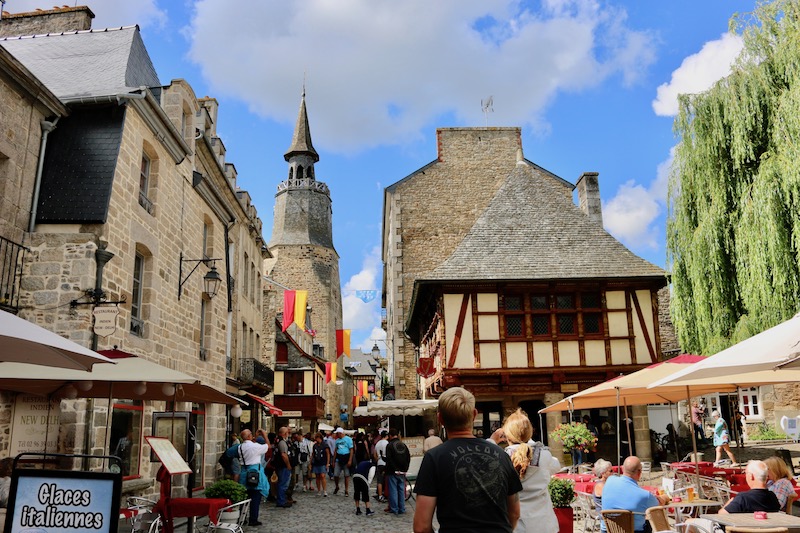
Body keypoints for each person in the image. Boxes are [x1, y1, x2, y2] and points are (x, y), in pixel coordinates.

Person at [413, 387, 522, 533]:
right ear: (474, 414)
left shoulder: (434, 458)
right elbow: (515, 513)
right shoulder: (501, 454)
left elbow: (421, 527)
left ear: (440, 419)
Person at [503, 408, 560, 533]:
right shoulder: (544, 455)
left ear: (507, 435)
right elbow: (557, 466)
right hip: (544, 524)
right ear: (530, 432)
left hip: (517, 525)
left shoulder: (503, 458)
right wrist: (531, 442)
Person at [686, 460, 780, 533]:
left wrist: (729, 503)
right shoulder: (773, 497)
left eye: (746, 473)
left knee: (688, 523)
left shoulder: (743, 498)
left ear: (751, 476)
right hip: (763, 530)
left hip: (734, 530)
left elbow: (721, 516)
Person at [601, 456, 669, 533]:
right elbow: (659, 504)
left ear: (622, 469)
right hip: (634, 531)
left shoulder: (610, 480)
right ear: (639, 472)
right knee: (651, 522)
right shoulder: (644, 496)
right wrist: (665, 497)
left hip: (608, 530)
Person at [237, 429, 270, 526]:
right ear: (249, 436)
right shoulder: (255, 446)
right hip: (254, 473)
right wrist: (264, 434)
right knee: (255, 497)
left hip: (244, 472)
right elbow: (268, 446)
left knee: (244, 497)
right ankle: (253, 519)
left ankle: (242, 518)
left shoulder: (240, 447)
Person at [384, 428, 411, 515]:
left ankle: (394, 508)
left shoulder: (390, 445)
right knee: (401, 490)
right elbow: (408, 457)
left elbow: (389, 459)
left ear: (390, 435)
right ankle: (402, 508)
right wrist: (405, 469)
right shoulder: (403, 445)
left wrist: (394, 468)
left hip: (392, 471)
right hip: (402, 471)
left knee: (393, 490)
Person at [273, 426, 293, 508]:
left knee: (282, 483)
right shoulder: (282, 442)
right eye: (287, 432)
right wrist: (288, 465)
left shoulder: (278, 440)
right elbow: (284, 455)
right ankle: (281, 501)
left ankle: (282, 499)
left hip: (280, 465)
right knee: (283, 484)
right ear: (285, 433)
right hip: (283, 466)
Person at [333, 427, 354, 496]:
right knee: (336, 474)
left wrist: (350, 460)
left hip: (346, 458)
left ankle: (346, 490)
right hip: (339, 458)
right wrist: (333, 460)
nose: (337, 435)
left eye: (337, 434)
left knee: (346, 475)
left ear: (340, 433)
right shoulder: (337, 441)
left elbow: (351, 450)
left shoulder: (348, 439)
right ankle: (337, 486)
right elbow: (335, 450)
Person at [310, 432, 330, 496]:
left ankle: (324, 490)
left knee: (322, 476)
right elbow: (313, 454)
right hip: (316, 462)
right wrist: (311, 462)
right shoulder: (315, 445)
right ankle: (319, 490)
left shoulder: (325, 445)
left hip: (323, 462)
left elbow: (328, 454)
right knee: (317, 476)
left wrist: (327, 463)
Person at [373, 429, 389, 503]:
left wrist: (378, 460)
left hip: (379, 462)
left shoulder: (378, 443)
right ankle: (386, 493)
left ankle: (380, 495)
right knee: (387, 479)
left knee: (379, 480)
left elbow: (374, 454)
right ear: (387, 436)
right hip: (386, 463)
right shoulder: (387, 443)